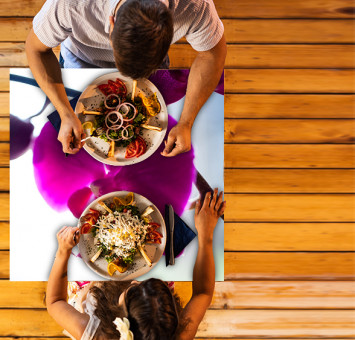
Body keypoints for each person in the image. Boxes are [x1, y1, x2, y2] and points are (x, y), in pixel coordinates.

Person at [26, 0, 227, 156]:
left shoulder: (195, 6)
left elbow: (213, 54)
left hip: (153, 72)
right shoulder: (69, 5)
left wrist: (186, 122)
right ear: (111, 24)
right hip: (81, 61)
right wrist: (65, 113)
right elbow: (35, 49)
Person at [46, 189, 226, 339]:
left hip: (95, 293)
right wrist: (206, 235)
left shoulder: (96, 334)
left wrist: (63, 251)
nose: (136, 281)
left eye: (134, 289)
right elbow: (203, 293)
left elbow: (55, 302)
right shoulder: (178, 335)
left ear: (121, 321)